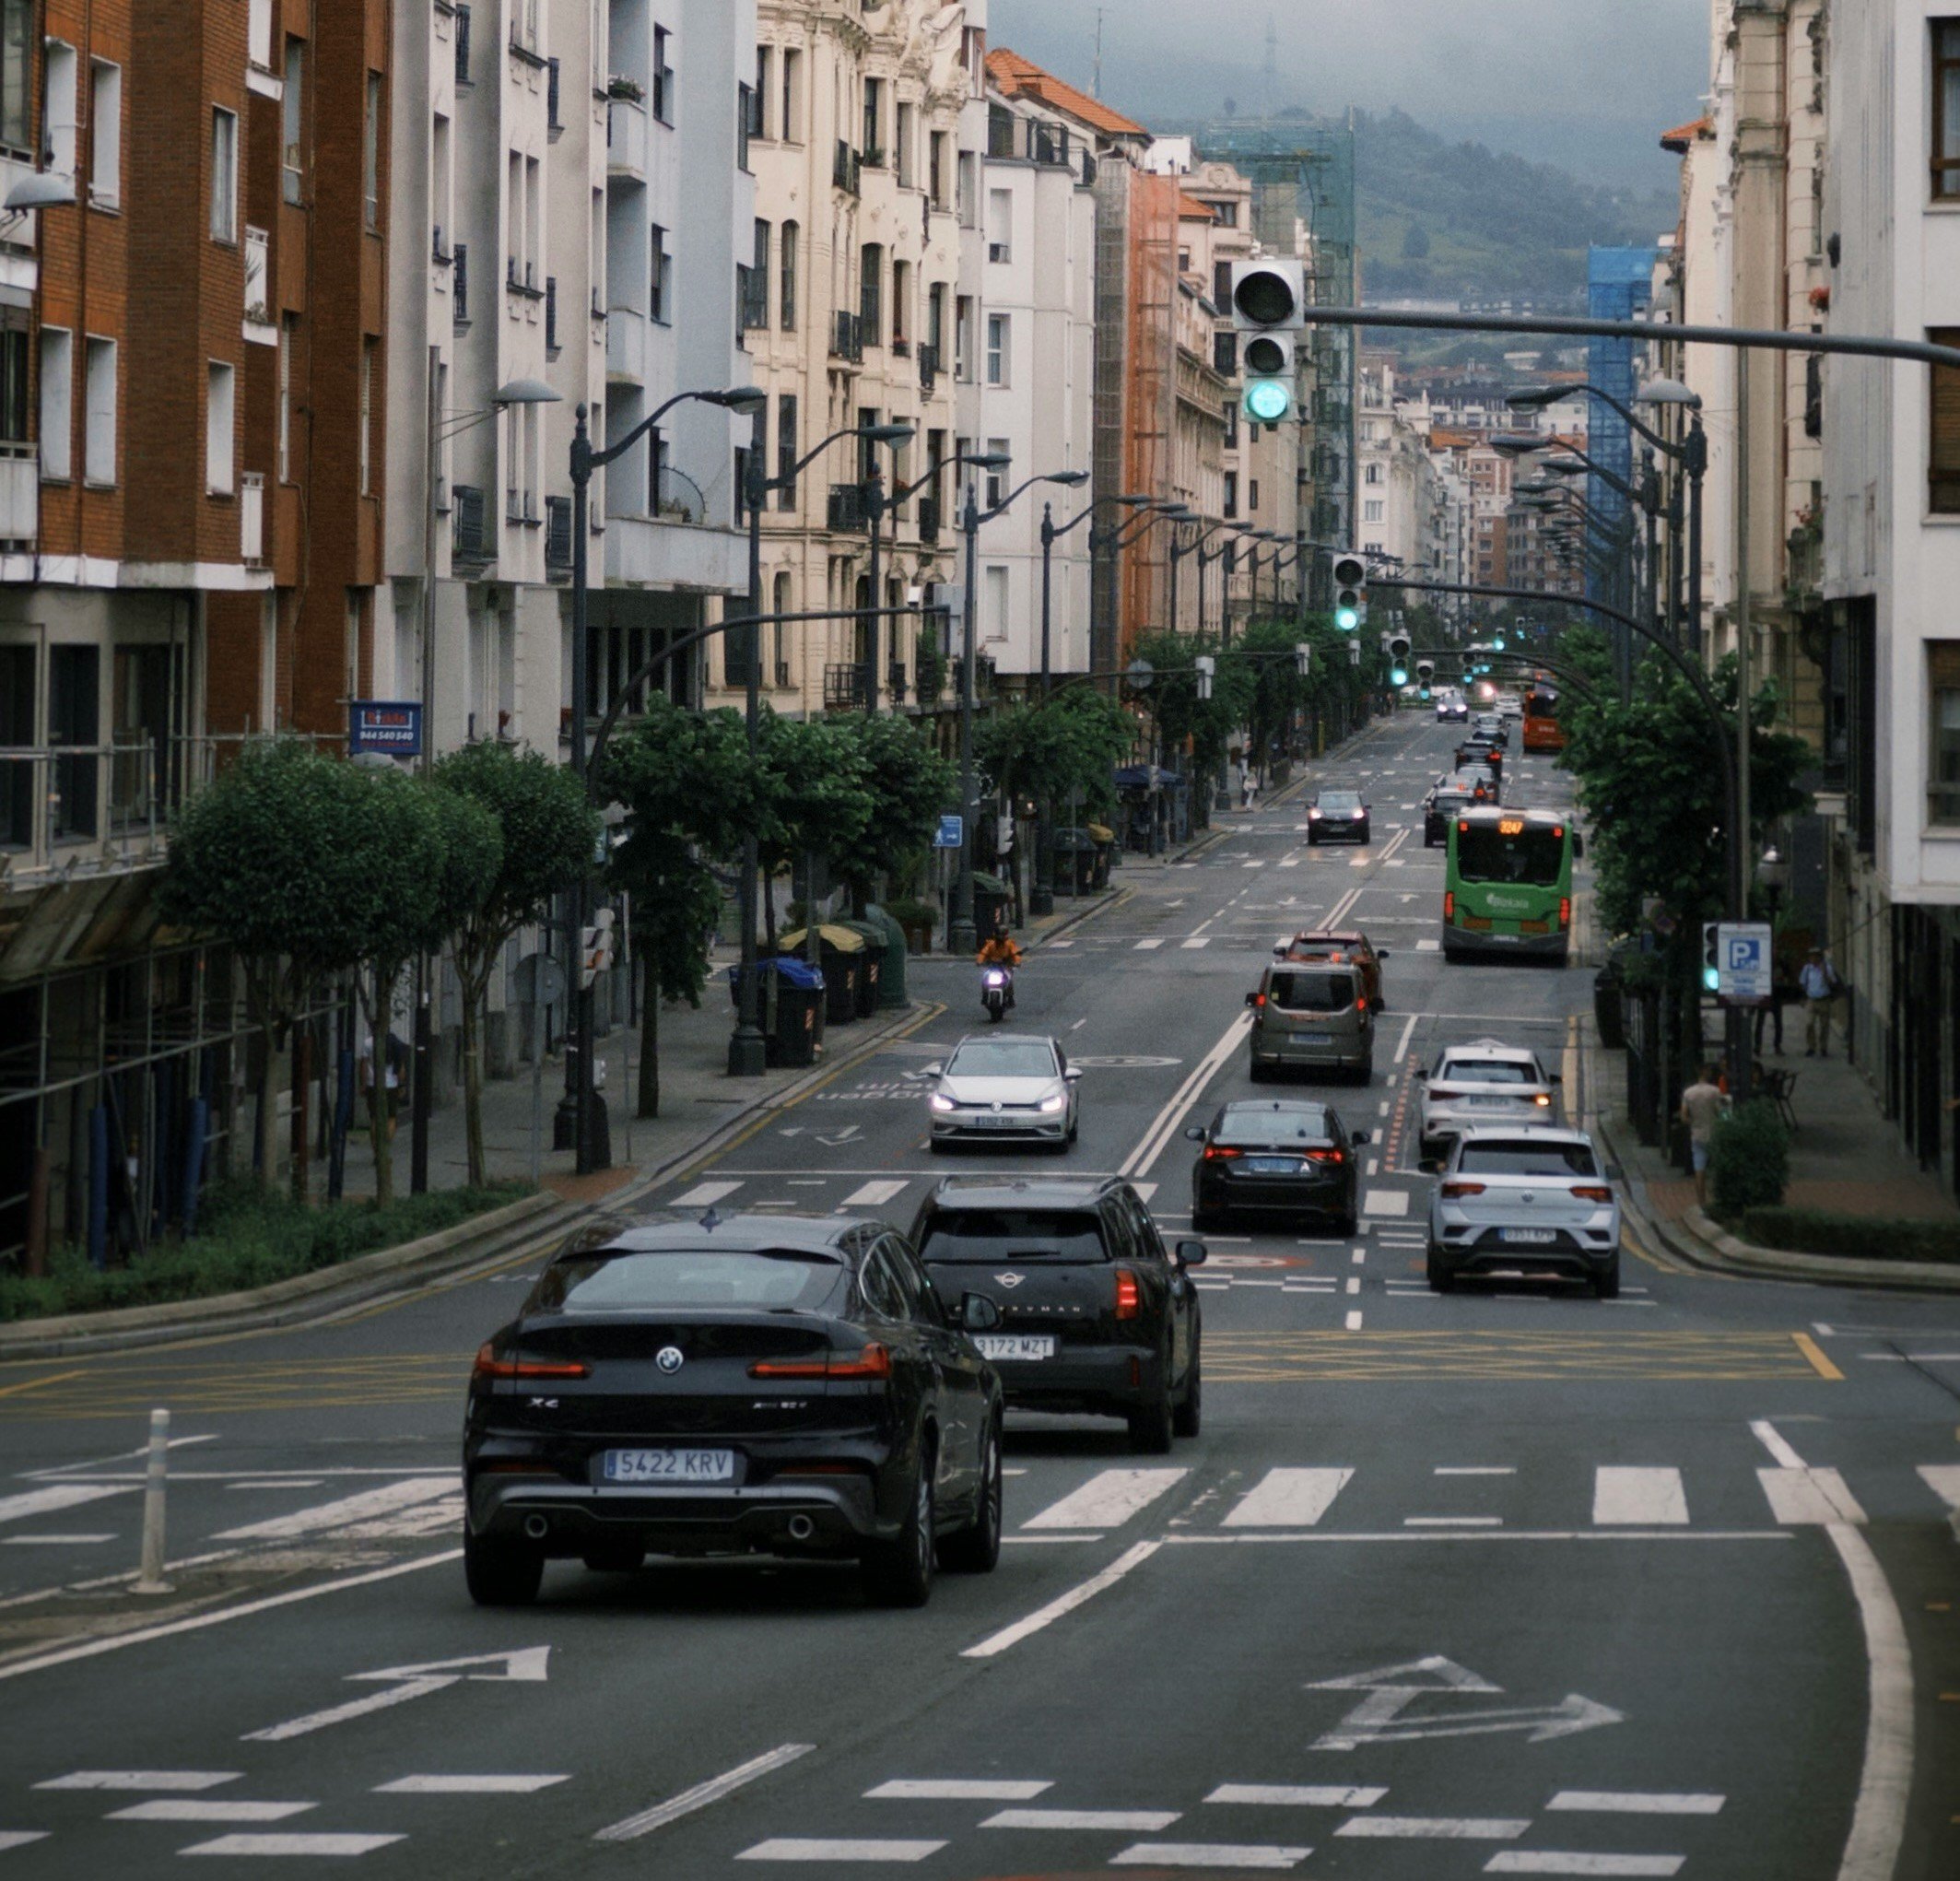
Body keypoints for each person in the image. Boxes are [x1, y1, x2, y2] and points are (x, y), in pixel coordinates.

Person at [1679, 1064, 1727, 1209]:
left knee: (1699, 1169)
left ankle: (1701, 1202)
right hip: (1713, 1133)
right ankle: (1719, 1198)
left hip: (1697, 1134)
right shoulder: (1715, 1091)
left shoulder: (1688, 1093)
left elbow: (1683, 1117)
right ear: (1707, 1073)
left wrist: (1694, 1122)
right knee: (1718, 1166)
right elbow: (1724, 1113)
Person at [1799, 946, 1841, 1057]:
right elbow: (1803, 984)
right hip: (1811, 1000)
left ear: (1819, 957)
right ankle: (1811, 1046)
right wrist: (1803, 998)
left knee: (1824, 1025)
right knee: (1809, 1023)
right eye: (1811, 957)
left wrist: (1825, 973)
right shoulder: (1807, 969)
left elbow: (1833, 983)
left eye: (1815, 957)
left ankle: (1823, 1047)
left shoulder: (1827, 968)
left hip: (1824, 1000)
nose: (1812, 959)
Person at [976, 915, 1021, 1009]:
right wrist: (980, 961)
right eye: (999, 935)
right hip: (992, 966)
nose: (1000, 937)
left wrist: (1017, 962)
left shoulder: (1009, 944)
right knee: (985, 979)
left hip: (1005, 966)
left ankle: (1010, 997)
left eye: (1002, 935)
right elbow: (983, 953)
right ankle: (985, 995)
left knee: (1009, 980)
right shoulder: (991, 944)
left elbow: (1015, 954)